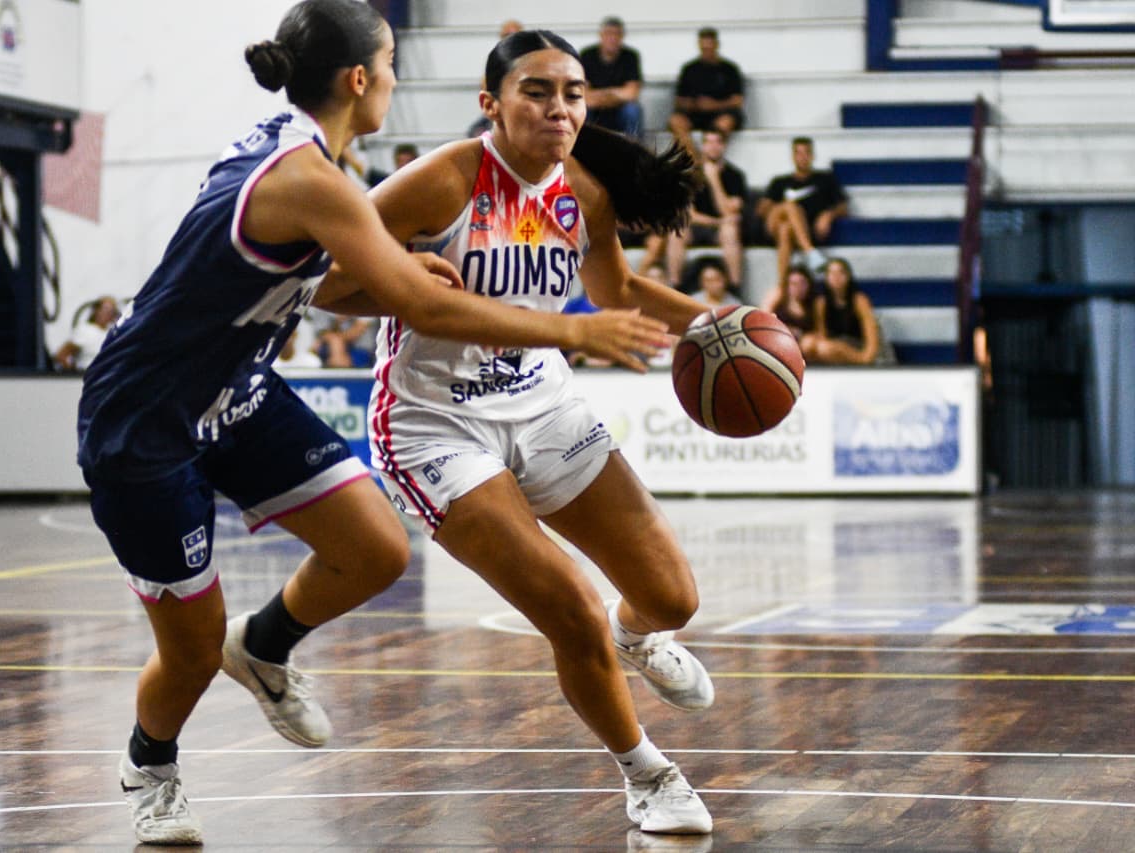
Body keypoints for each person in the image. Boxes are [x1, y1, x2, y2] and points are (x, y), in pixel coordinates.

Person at [74, 2, 670, 844]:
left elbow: (343, 278)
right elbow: (426, 307)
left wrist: (399, 265)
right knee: (193, 648)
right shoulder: (311, 180)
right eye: (390, 65)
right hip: (146, 418)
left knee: (376, 548)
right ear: (360, 79)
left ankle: (265, 646)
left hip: (235, 389)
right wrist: (575, 330)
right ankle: (151, 764)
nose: (395, 78)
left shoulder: (301, 153)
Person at [311, 29, 719, 835]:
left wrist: (719, 320)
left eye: (573, 93)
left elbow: (617, 290)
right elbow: (323, 283)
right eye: (536, 91)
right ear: (490, 105)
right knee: (570, 607)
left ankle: (634, 635)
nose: (558, 107)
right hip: (436, 422)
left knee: (672, 597)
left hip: (542, 405)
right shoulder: (440, 181)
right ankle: (647, 772)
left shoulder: (584, 193)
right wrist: (404, 285)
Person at [638, 127, 746, 290]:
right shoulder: (690, 175)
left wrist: (714, 180)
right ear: (703, 146)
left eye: (717, 142)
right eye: (708, 142)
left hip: (720, 231)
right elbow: (689, 215)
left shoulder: (735, 176)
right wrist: (719, 221)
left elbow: (729, 211)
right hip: (697, 226)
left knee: (730, 231)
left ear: (724, 146)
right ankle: (675, 285)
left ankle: (735, 287)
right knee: (677, 230)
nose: (713, 147)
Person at [756, 136, 848, 274]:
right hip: (773, 223)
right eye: (798, 153)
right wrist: (782, 208)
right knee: (790, 206)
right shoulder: (779, 181)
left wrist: (829, 215)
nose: (802, 157)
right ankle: (810, 252)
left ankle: (782, 285)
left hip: (803, 229)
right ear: (793, 156)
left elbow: (843, 208)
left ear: (812, 156)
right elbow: (761, 211)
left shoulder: (825, 179)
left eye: (806, 153)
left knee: (785, 229)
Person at [668, 27, 744, 161]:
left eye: (710, 47)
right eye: (704, 47)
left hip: (721, 113)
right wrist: (695, 105)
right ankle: (695, 160)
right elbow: (679, 100)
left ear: (717, 45)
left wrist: (714, 105)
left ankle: (712, 158)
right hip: (694, 113)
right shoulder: (689, 69)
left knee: (725, 122)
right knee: (675, 121)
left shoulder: (729, 69)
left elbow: (737, 101)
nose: (707, 51)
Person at [806, 256, 894, 365]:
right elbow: (822, 334)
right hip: (837, 345)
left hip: (860, 345)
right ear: (826, 278)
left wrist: (867, 359)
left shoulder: (859, 300)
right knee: (808, 343)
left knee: (825, 348)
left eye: (840, 273)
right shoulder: (821, 302)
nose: (836, 277)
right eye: (832, 273)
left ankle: (858, 364)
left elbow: (871, 334)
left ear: (848, 276)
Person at [579, 16, 644, 139]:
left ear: (622, 37)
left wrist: (600, 95)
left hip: (620, 110)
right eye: (609, 34)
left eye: (617, 34)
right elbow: (583, 94)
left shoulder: (630, 57)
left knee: (633, 111)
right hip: (595, 110)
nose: (612, 38)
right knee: (582, 109)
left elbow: (632, 93)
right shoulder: (587, 55)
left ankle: (632, 149)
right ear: (601, 35)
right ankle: (583, 148)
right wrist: (615, 94)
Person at [760, 251, 817, 350]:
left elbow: (819, 331)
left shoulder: (814, 303)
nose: (798, 288)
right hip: (778, 341)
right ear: (787, 285)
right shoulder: (778, 297)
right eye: (794, 284)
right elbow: (763, 321)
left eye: (802, 283)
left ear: (809, 285)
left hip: (805, 347)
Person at [53, 296, 120, 371]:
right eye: (105, 310)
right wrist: (73, 372)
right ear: (96, 311)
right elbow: (62, 355)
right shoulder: (85, 330)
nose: (108, 314)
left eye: (111, 311)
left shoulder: (114, 332)